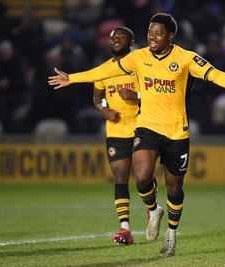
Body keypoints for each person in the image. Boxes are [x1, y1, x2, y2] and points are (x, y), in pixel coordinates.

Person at [48, 12, 225, 257]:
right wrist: (72, 78)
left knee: (174, 187)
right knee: (143, 177)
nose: (152, 37)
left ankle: (171, 235)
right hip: (147, 126)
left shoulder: (187, 59)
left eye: (158, 33)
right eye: (149, 32)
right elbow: (106, 71)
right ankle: (154, 210)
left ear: (170, 35)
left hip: (177, 131)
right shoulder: (138, 57)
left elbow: (217, 75)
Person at [93, 26, 142, 245]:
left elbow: (157, 94)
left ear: (131, 43)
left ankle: (152, 207)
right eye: (113, 38)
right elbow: (98, 98)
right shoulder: (103, 70)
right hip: (116, 131)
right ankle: (125, 230)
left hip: (142, 128)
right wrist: (103, 109)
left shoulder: (140, 67)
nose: (116, 40)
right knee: (121, 177)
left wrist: (136, 95)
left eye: (121, 37)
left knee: (142, 177)